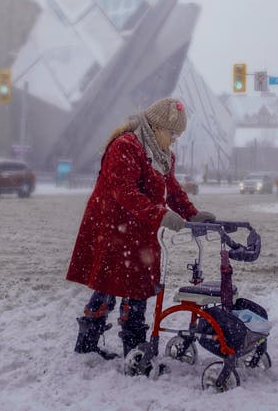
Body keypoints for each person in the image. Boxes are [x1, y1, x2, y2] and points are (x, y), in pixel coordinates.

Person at [66, 97, 215, 361]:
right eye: (172, 133)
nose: (174, 139)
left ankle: (118, 346)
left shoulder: (161, 154)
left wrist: (192, 214)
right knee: (114, 285)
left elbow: (172, 190)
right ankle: (109, 346)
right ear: (156, 127)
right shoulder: (125, 146)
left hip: (140, 229)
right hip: (114, 228)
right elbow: (125, 192)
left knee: (130, 285)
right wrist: (160, 214)